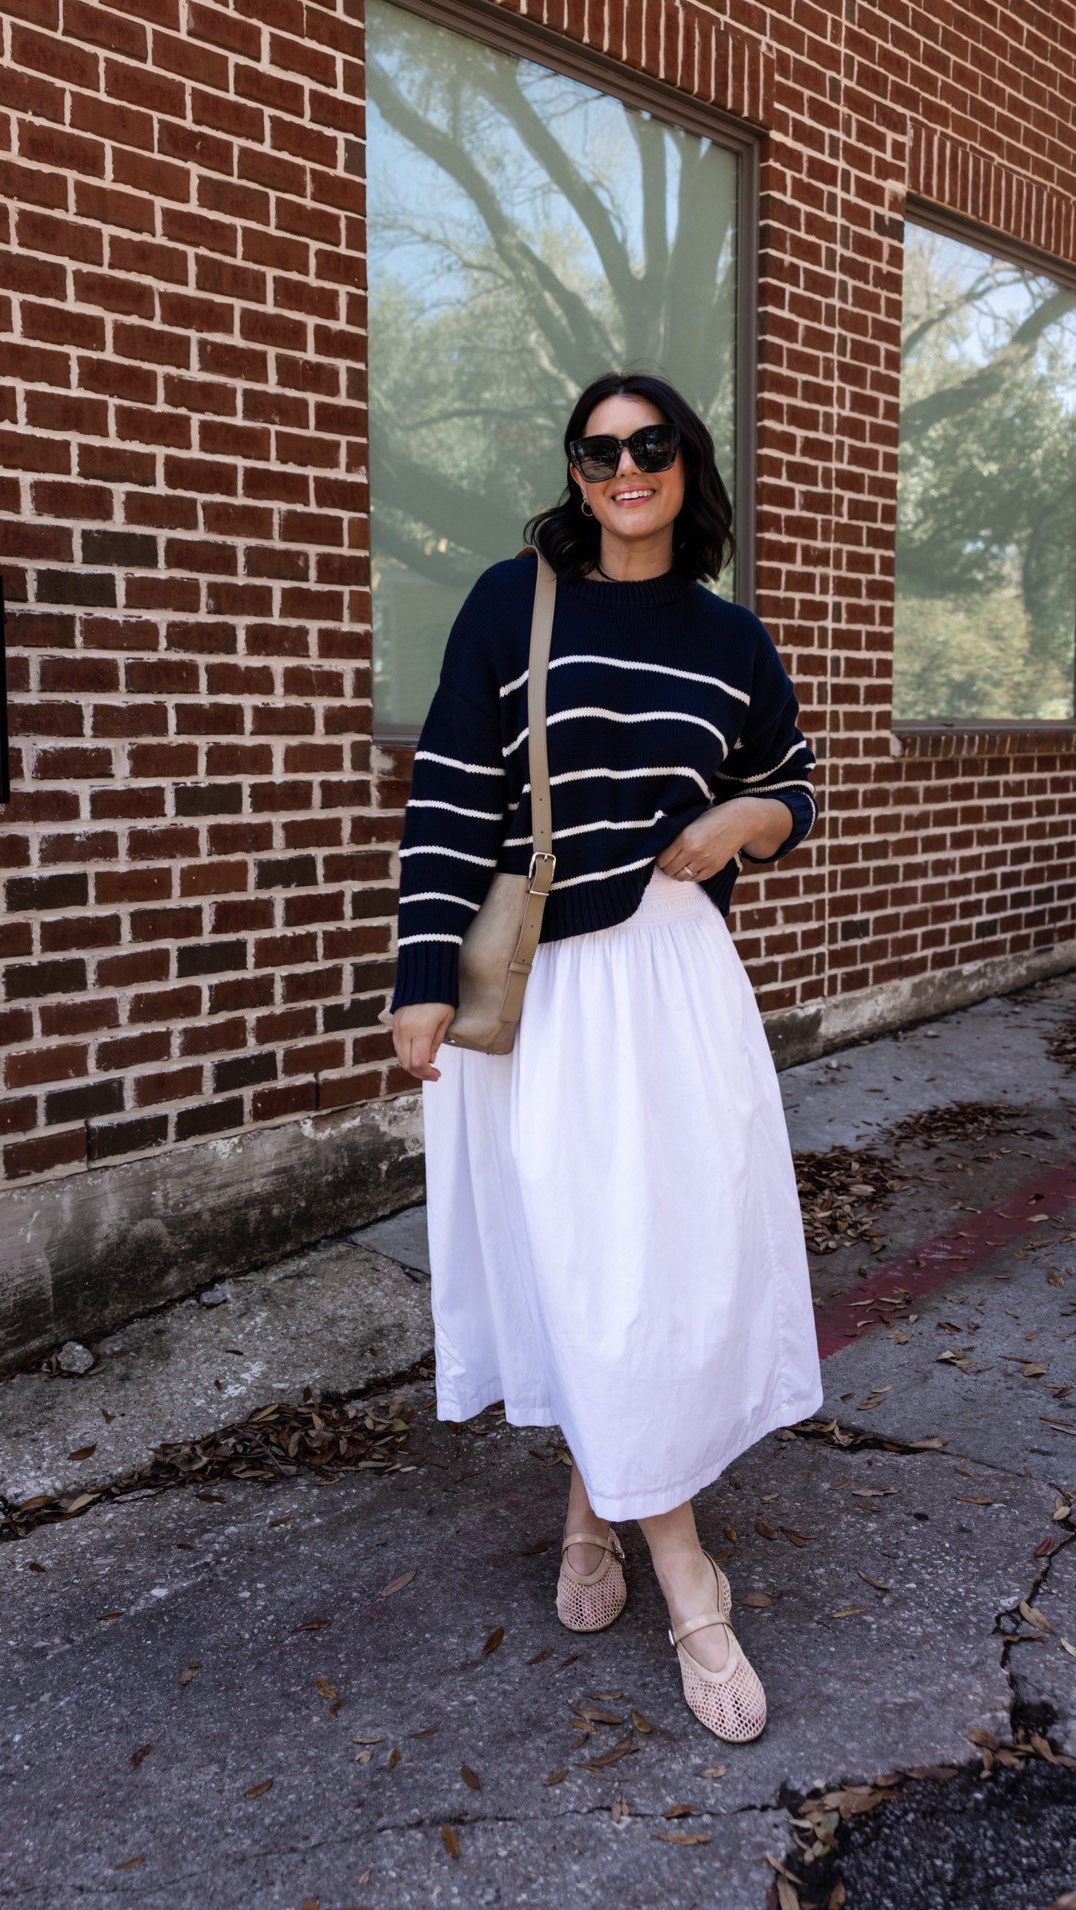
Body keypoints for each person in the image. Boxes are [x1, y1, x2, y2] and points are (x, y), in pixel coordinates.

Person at [387, 371, 823, 1745]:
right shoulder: (512, 603)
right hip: (541, 992)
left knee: (662, 1250)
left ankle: (599, 1498)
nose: (622, 467)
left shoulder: (730, 637)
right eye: (596, 450)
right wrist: (416, 981)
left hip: (678, 975)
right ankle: (688, 1572)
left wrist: (743, 818)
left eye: (647, 445)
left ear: (684, 465)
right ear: (574, 474)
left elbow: (795, 777)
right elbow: (453, 791)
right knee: (587, 1254)